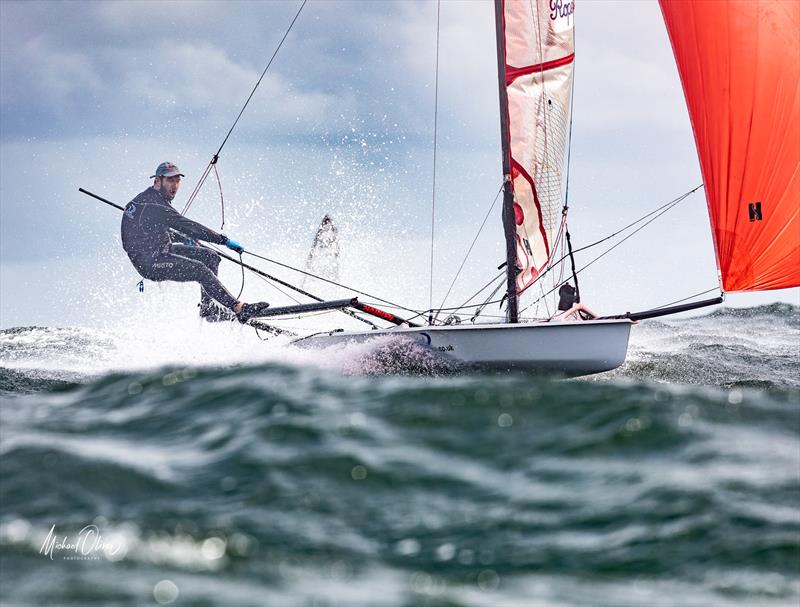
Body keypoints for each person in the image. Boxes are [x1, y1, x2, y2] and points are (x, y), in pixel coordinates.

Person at [121, 161, 270, 323]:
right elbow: (188, 226)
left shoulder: (152, 200)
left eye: (177, 180)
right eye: (170, 180)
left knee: (211, 257)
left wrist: (182, 239)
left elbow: (150, 231)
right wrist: (223, 240)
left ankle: (208, 307)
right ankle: (238, 308)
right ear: (157, 181)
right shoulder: (153, 205)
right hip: (149, 263)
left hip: (163, 250)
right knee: (200, 270)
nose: (175, 185)